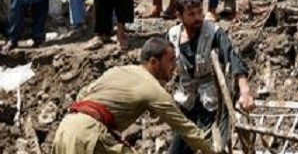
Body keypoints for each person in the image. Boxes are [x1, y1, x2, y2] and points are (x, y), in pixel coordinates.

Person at [51, 37, 215, 154]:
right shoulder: (152, 88)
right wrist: (211, 151)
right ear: (153, 63)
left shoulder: (117, 71)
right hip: (88, 135)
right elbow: (185, 128)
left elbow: (83, 94)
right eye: (170, 61)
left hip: (66, 129)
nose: (174, 67)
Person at [167, 0, 253, 154]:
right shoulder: (172, 36)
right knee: (178, 150)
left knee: (215, 148)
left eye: (199, 12)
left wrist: (245, 91)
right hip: (187, 101)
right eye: (191, 14)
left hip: (214, 102)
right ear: (179, 16)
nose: (197, 17)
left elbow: (233, 59)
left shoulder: (214, 33)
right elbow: (162, 67)